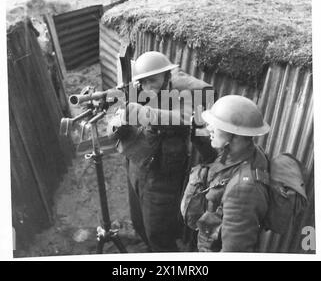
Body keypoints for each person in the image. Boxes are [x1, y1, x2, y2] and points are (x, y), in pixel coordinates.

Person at [108, 51, 215, 252]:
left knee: (158, 233)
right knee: (138, 222)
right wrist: (118, 122)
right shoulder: (139, 89)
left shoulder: (188, 91)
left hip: (162, 177)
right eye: (144, 82)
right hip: (137, 164)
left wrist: (140, 112)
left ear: (167, 76)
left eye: (153, 81)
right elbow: (119, 120)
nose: (148, 87)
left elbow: (187, 118)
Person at [188, 95, 271, 252]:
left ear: (235, 134)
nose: (209, 128)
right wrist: (196, 131)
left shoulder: (243, 190)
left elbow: (234, 251)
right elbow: (219, 162)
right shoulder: (243, 151)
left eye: (216, 125)